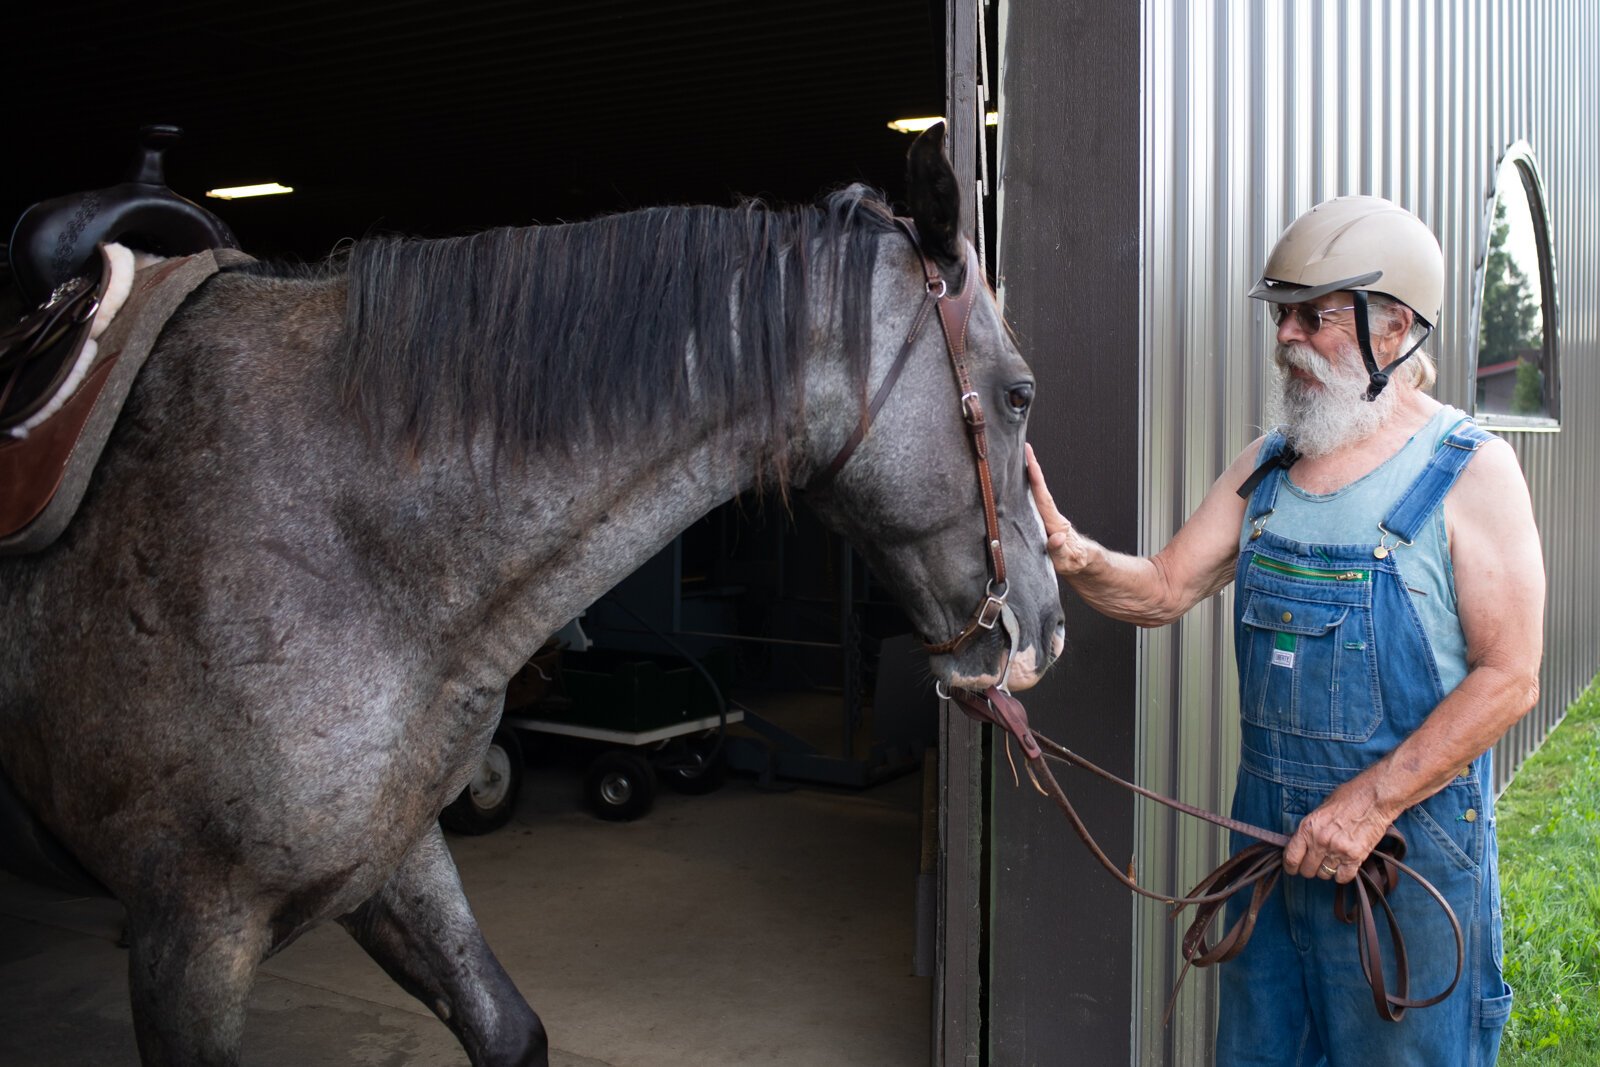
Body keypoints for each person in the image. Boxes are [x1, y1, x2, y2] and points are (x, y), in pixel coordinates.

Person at [1028, 195, 1544, 1066]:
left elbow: (1511, 677)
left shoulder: (1472, 471)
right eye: (1283, 315)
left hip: (1405, 858)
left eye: (1315, 317)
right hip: (1270, 849)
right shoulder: (1269, 460)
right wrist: (1076, 559)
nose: (1286, 338)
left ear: (1397, 330)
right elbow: (1161, 587)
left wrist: (1370, 802)